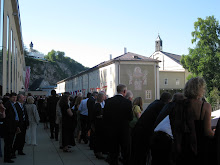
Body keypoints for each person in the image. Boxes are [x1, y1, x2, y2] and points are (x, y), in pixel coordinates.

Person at [171, 77, 215, 165]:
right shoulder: (205, 106)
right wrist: (214, 132)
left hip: (183, 146)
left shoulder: (179, 105)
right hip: (199, 147)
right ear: (199, 89)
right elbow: (207, 132)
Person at [129, 92, 172, 165]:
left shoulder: (155, 103)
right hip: (144, 133)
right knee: (141, 155)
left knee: (137, 155)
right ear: (168, 100)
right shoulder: (161, 106)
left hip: (139, 131)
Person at [103, 84, 133, 165]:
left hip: (112, 130)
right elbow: (130, 117)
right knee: (125, 151)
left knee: (113, 151)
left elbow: (105, 116)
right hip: (124, 130)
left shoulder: (108, 101)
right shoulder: (127, 102)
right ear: (124, 91)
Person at [3, 93, 20, 163]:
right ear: (10, 97)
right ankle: (7, 158)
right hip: (9, 127)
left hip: (13, 126)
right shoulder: (7, 105)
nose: (15, 99)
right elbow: (6, 117)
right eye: (13, 97)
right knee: (8, 143)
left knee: (10, 142)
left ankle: (9, 155)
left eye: (15, 97)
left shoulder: (13, 104)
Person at [94, 92, 106, 159]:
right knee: (99, 139)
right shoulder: (98, 105)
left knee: (97, 138)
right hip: (99, 124)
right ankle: (99, 153)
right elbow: (98, 115)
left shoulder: (96, 104)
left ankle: (97, 152)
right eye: (103, 97)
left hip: (97, 124)